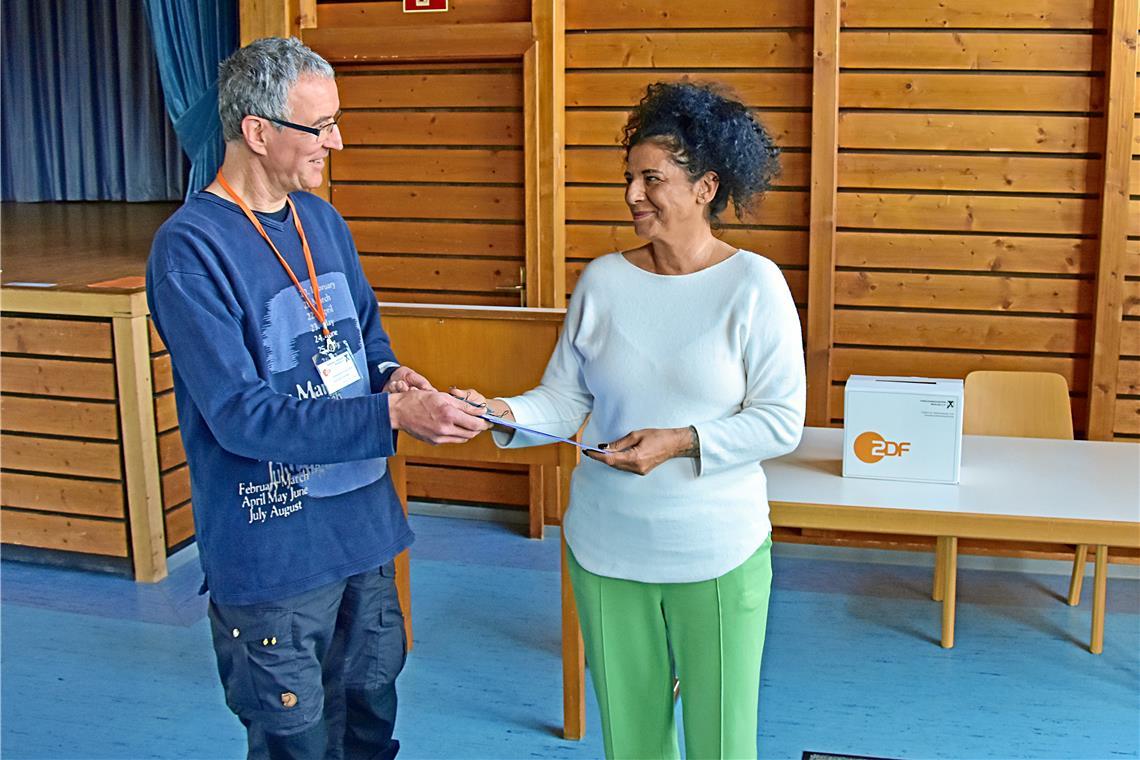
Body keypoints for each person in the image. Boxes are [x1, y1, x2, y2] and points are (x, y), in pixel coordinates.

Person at [146, 37, 489, 760]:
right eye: (320, 126)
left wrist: (394, 376)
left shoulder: (322, 221)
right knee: (295, 744)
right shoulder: (190, 248)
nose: (337, 139)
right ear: (258, 130)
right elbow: (241, 416)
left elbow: (366, 337)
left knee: (371, 719)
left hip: (363, 534)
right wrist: (393, 415)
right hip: (273, 555)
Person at [457, 81, 806, 759]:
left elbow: (781, 420)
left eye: (652, 179)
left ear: (706, 187)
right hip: (605, 549)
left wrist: (681, 442)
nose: (632, 196)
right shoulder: (603, 281)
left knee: (723, 744)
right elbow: (562, 401)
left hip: (718, 552)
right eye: (630, 179)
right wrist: (500, 412)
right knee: (633, 743)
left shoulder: (754, 285)